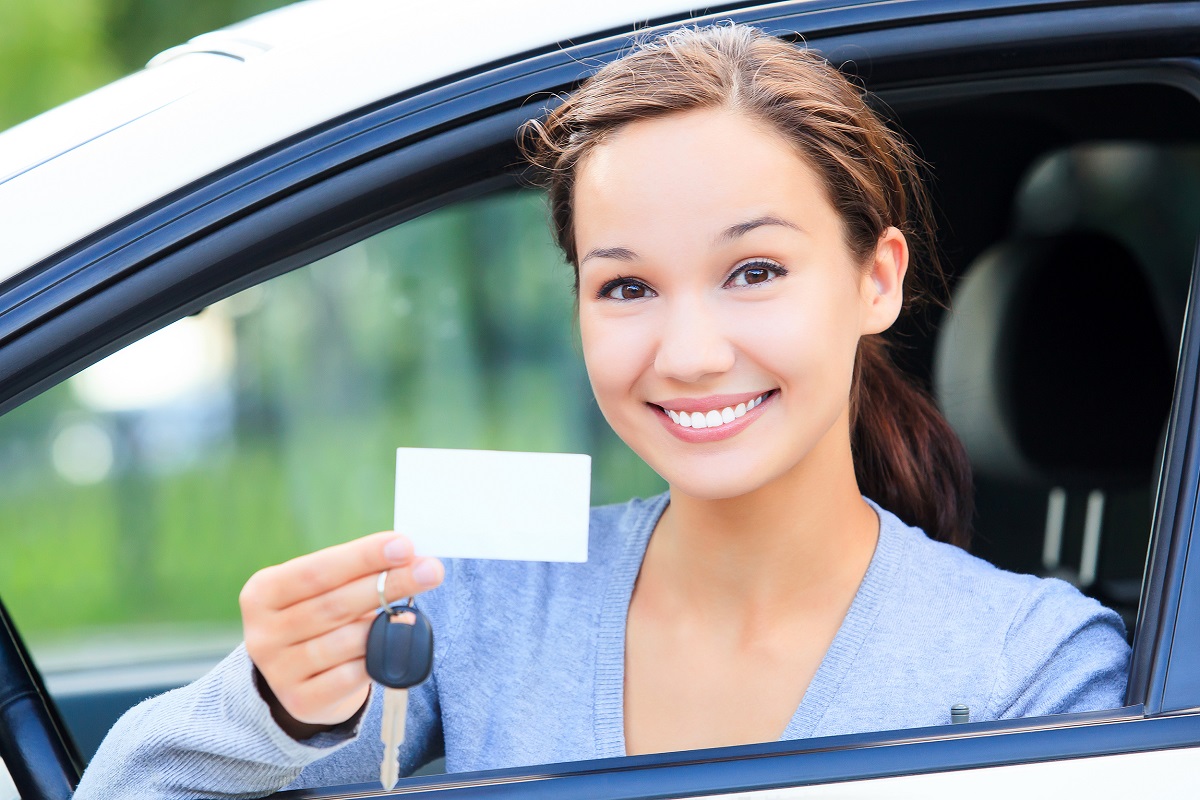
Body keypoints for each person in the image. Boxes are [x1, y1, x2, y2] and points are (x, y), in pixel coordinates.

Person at [74, 23, 1129, 797]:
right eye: (625, 286)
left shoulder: (1032, 666)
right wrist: (274, 705)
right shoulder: (488, 594)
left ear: (876, 279)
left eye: (755, 269)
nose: (690, 351)